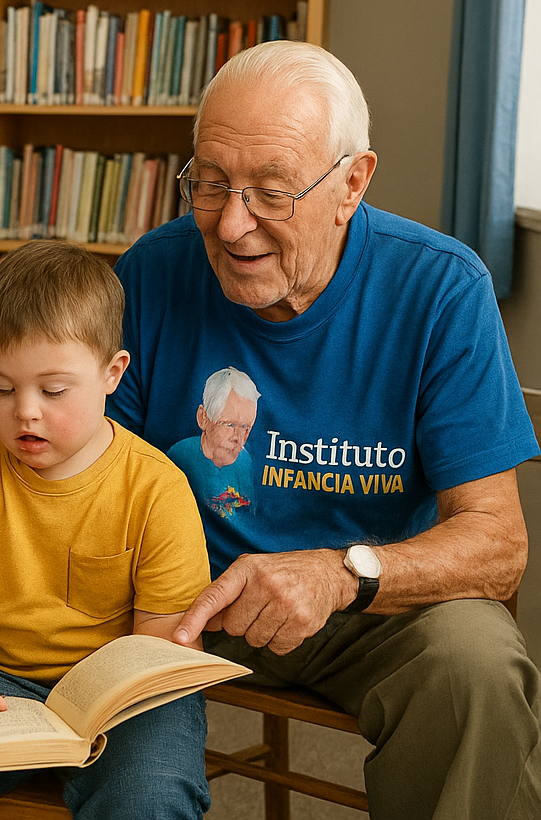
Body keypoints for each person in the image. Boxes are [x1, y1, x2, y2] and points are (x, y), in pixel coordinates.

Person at [108, 40, 541, 820]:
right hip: (179, 602)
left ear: (352, 182)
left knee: (474, 665)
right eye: (209, 184)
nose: (232, 224)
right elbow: (89, 478)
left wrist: (342, 574)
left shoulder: (440, 289)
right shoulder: (151, 271)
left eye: (270, 193)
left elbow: (499, 544)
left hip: (364, 609)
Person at [0, 240, 213, 820]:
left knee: (151, 792)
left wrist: (115, 699)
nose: (25, 410)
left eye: (53, 391)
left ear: (112, 373)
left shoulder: (158, 487)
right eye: (0, 388)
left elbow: (165, 642)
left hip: (122, 695)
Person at [163, 366, 260, 519]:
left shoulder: (245, 462)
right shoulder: (179, 454)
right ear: (203, 418)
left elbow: (249, 514)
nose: (238, 437)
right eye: (230, 425)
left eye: (245, 428)